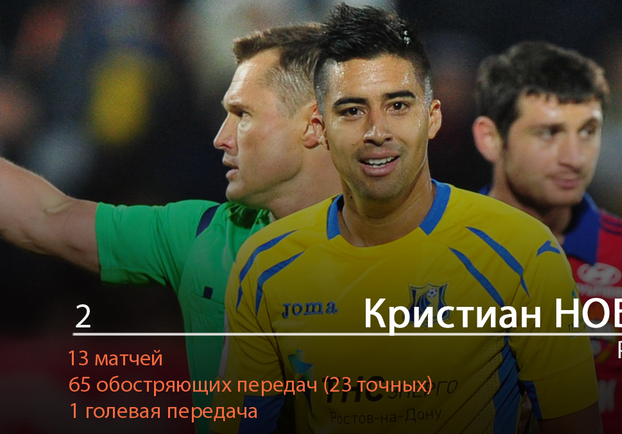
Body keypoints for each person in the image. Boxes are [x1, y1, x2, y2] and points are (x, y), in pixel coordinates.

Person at [212, 5, 601, 434]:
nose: (377, 131)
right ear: (320, 128)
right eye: (352, 111)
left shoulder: (521, 251)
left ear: (432, 117)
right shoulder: (265, 265)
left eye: (397, 105)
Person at [0, 23, 340, 434]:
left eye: (242, 115)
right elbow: (45, 218)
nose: (220, 138)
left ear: (313, 125)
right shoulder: (201, 235)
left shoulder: (412, 245)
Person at [472, 41, 622, 434]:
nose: (575, 157)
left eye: (588, 131)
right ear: (490, 138)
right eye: (549, 133)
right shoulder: (431, 250)